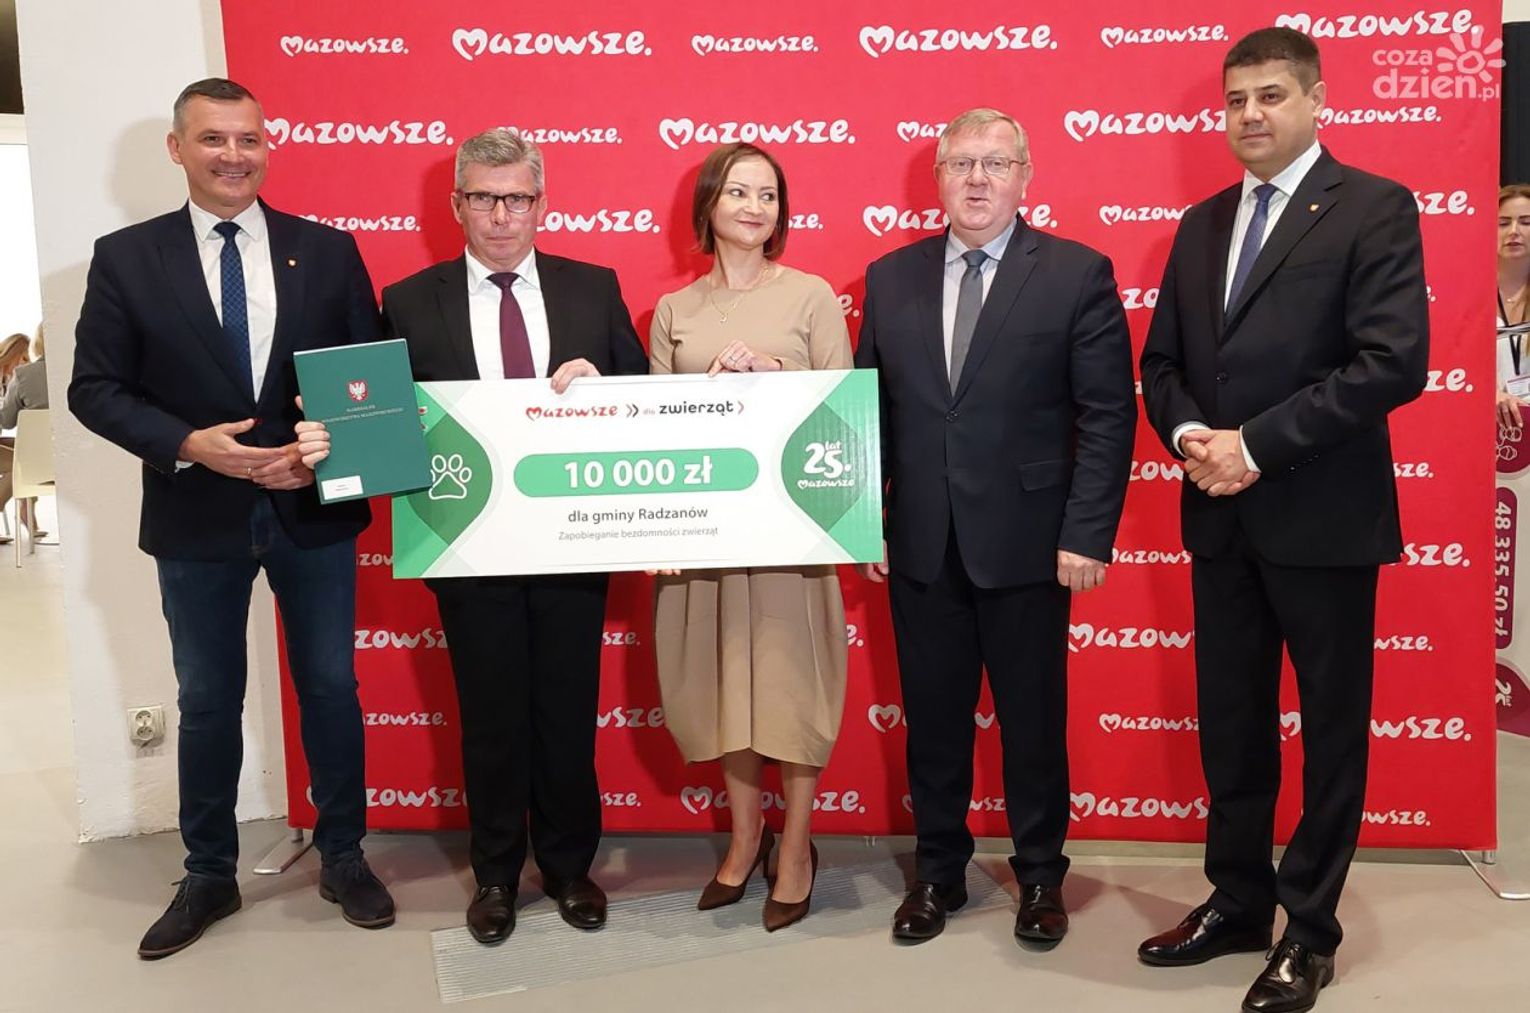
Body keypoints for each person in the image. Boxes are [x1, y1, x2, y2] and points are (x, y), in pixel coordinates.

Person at [68, 78, 394, 959]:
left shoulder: (327, 251)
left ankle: (343, 854)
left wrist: (325, 447)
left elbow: (365, 380)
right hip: (195, 511)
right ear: (178, 148)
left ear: (266, 146)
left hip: (312, 508)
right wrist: (187, 443)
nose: (233, 155)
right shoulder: (126, 258)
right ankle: (208, 872)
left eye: (249, 139)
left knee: (330, 686)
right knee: (207, 700)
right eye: (213, 139)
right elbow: (94, 388)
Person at [1137, 28, 1428, 1013]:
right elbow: (1162, 364)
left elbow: (1391, 361)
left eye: (1270, 95)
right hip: (1219, 518)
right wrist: (1191, 436)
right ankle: (1238, 899)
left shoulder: (1374, 206)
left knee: (1333, 730)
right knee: (1233, 722)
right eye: (1236, 100)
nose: (1250, 114)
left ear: (1315, 100)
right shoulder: (1200, 224)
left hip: (1323, 516)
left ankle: (1309, 929)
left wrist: (1252, 446)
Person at [298, 128, 646, 945]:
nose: (500, 215)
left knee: (566, 711)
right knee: (489, 718)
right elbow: (377, 422)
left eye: (516, 198)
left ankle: (569, 866)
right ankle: (495, 874)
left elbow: (641, 400)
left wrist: (605, 386)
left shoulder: (593, 288)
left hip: (572, 540)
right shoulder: (408, 301)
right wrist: (329, 434)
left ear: (541, 203)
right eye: (484, 198)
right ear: (457, 204)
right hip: (464, 542)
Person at [854, 108, 1135, 947]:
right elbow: (867, 411)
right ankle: (937, 872)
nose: (978, 179)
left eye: (996, 163)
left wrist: (1087, 532)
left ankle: (1041, 874)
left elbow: (1107, 414)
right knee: (933, 722)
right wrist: (863, 520)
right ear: (937, 177)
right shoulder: (890, 277)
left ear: (1025, 177)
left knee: (1033, 723)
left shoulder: (1076, 272)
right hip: (921, 542)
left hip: (1032, 544)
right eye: (962, 164)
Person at [648, 142, 852, 931]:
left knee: (791, 692)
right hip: (706, 535)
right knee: (724, 689)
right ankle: (744, 839)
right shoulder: (675, 311)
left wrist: (776, 376)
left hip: (792, 534)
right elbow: (656, 431)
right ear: (708, 204)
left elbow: (844, 413)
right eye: (738, 191)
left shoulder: (811, 297)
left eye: (768, 195)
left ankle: (795, 848)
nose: (754, 207)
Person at [1, 325, 49, 541]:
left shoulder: (14, 379)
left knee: (28, 449)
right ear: (11, 355)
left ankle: (26, 511)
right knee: (21, 460)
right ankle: (26, 513)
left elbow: (6, 421)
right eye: (22, 358)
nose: (25, 364)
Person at [1496, 184, 1530, 429]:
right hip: (1483, 424)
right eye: (1503, 223)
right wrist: (1488, 393)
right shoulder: (1468, 296)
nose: (1514, 231)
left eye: (1526, 222)